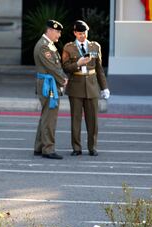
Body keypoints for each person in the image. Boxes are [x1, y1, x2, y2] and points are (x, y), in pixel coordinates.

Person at [62, 20, 110, 157]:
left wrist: (104, 87)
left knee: (93, 120)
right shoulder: (69, 48)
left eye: (84, 33)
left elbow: (99, 69)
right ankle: (76, 147)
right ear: (75, 33)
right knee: (76, 119)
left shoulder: (95, 46)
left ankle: (92, 147)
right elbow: (65, 68)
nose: (82, 36)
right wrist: (77, 63)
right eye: (80, 33)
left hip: (92, 86)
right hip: (76, 86)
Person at [33, 20, 68, 160]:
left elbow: (55, 66)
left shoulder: (49, 45)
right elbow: (52, 68)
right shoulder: (44, 46)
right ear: (50, 30)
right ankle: (48, 149)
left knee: (46, 116)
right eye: (57, 31)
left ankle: (39, 146)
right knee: (50, 118)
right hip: (48, 85)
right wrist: (63, 79)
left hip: (49, 83)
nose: (59, 34)